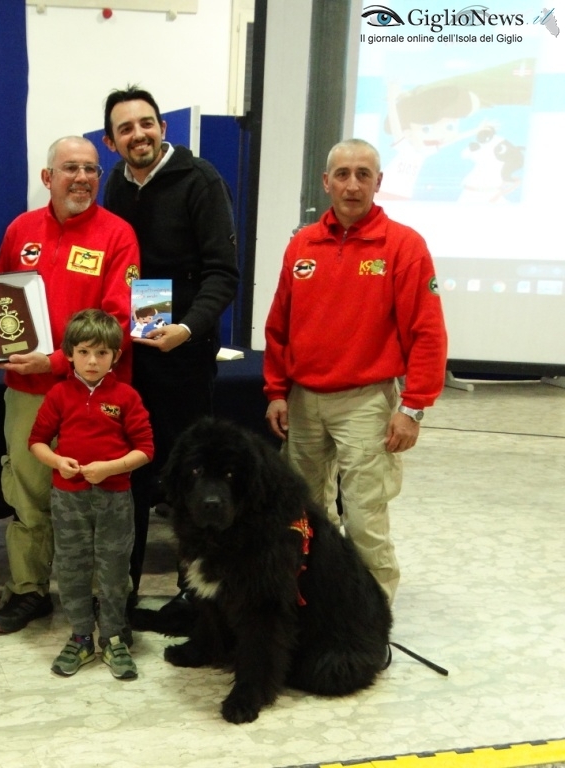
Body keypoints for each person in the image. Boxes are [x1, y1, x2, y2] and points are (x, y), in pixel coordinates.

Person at [262, 138, 448, 604]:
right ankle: (311, 605)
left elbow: (428, 332)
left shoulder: (404, 246)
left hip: (365, 402)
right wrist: (276, 391)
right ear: (326, 182)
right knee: (302, 514)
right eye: (342, 174)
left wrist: (414, 409)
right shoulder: (302, 245)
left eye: (363, 174)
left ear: (379, 183)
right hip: (304, 401)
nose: (352, 185)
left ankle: (371, 619)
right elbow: (278, 326)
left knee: (365, 517)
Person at [0, 136, 140, 635]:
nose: (82, 178)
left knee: (94, 498)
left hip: (93, 397)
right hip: (26, 394)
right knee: (28, 494)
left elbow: (119, 323)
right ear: (47, 178)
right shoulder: (20, 230)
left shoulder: (118, 236)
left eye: (92, 169)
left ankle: (100, 599)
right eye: (70, 168)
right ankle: (29, 591)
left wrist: (53, 361)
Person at [101, 86, 240, 619]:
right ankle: (124, 591)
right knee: (131, 474)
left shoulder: (201, 181)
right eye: (126, 128)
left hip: (183, 352)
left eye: (147, 123)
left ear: (162, 127)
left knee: (188, 475)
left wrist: (187, 328)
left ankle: (193, 595)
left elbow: (221, 274)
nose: (139, 134)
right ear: (112, 142)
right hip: (131, 357)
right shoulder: (114, 183)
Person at [29, 309, 153, 680]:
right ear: (69, 353)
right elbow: (36, 441)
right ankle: (81, 635)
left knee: (115, 569)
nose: (92, 361)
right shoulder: (59, 394)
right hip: (69, 498)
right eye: (84, 352)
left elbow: (145, 449)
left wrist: (110, 468)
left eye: (102, 353)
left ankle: (114, 637)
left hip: (115, 498)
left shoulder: (126, 397)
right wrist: (57, 461)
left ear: (116, 355)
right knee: (71, 568)